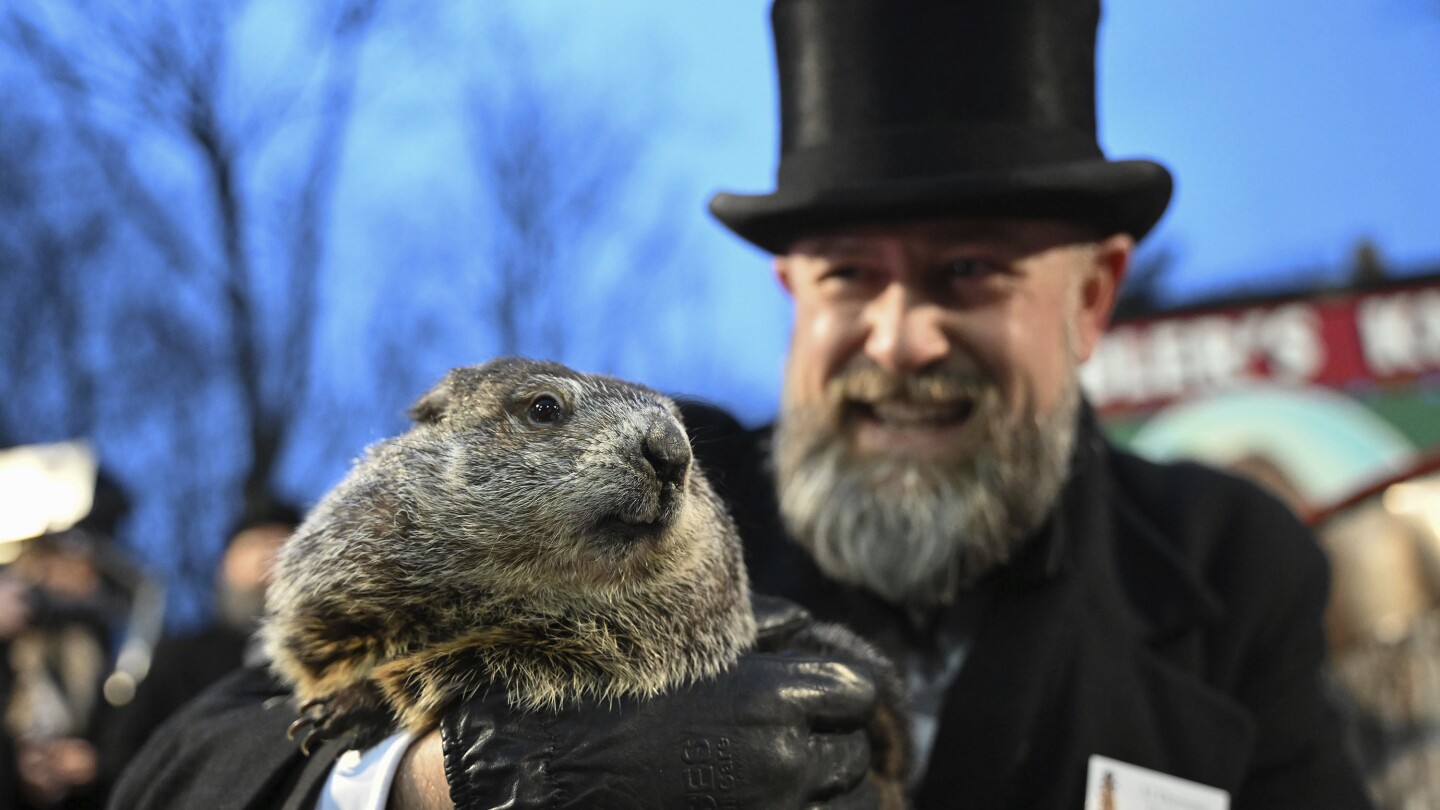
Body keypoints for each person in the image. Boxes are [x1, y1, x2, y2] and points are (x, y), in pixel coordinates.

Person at [112, 0, 1374, 808]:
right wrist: (448, 781)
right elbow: (192, 766)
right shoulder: (662, 490)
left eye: (969, 273)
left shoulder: (1229, 565)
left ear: (1093, 296)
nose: (900, 336)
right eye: (848, 278)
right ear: (791, 292)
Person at [95, 495, 299, 793]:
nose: (265, 564)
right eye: (252, 547)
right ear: (223, 566)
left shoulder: (331, 661)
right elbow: (130, 753)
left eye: (279, 548)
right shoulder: (180, 659)